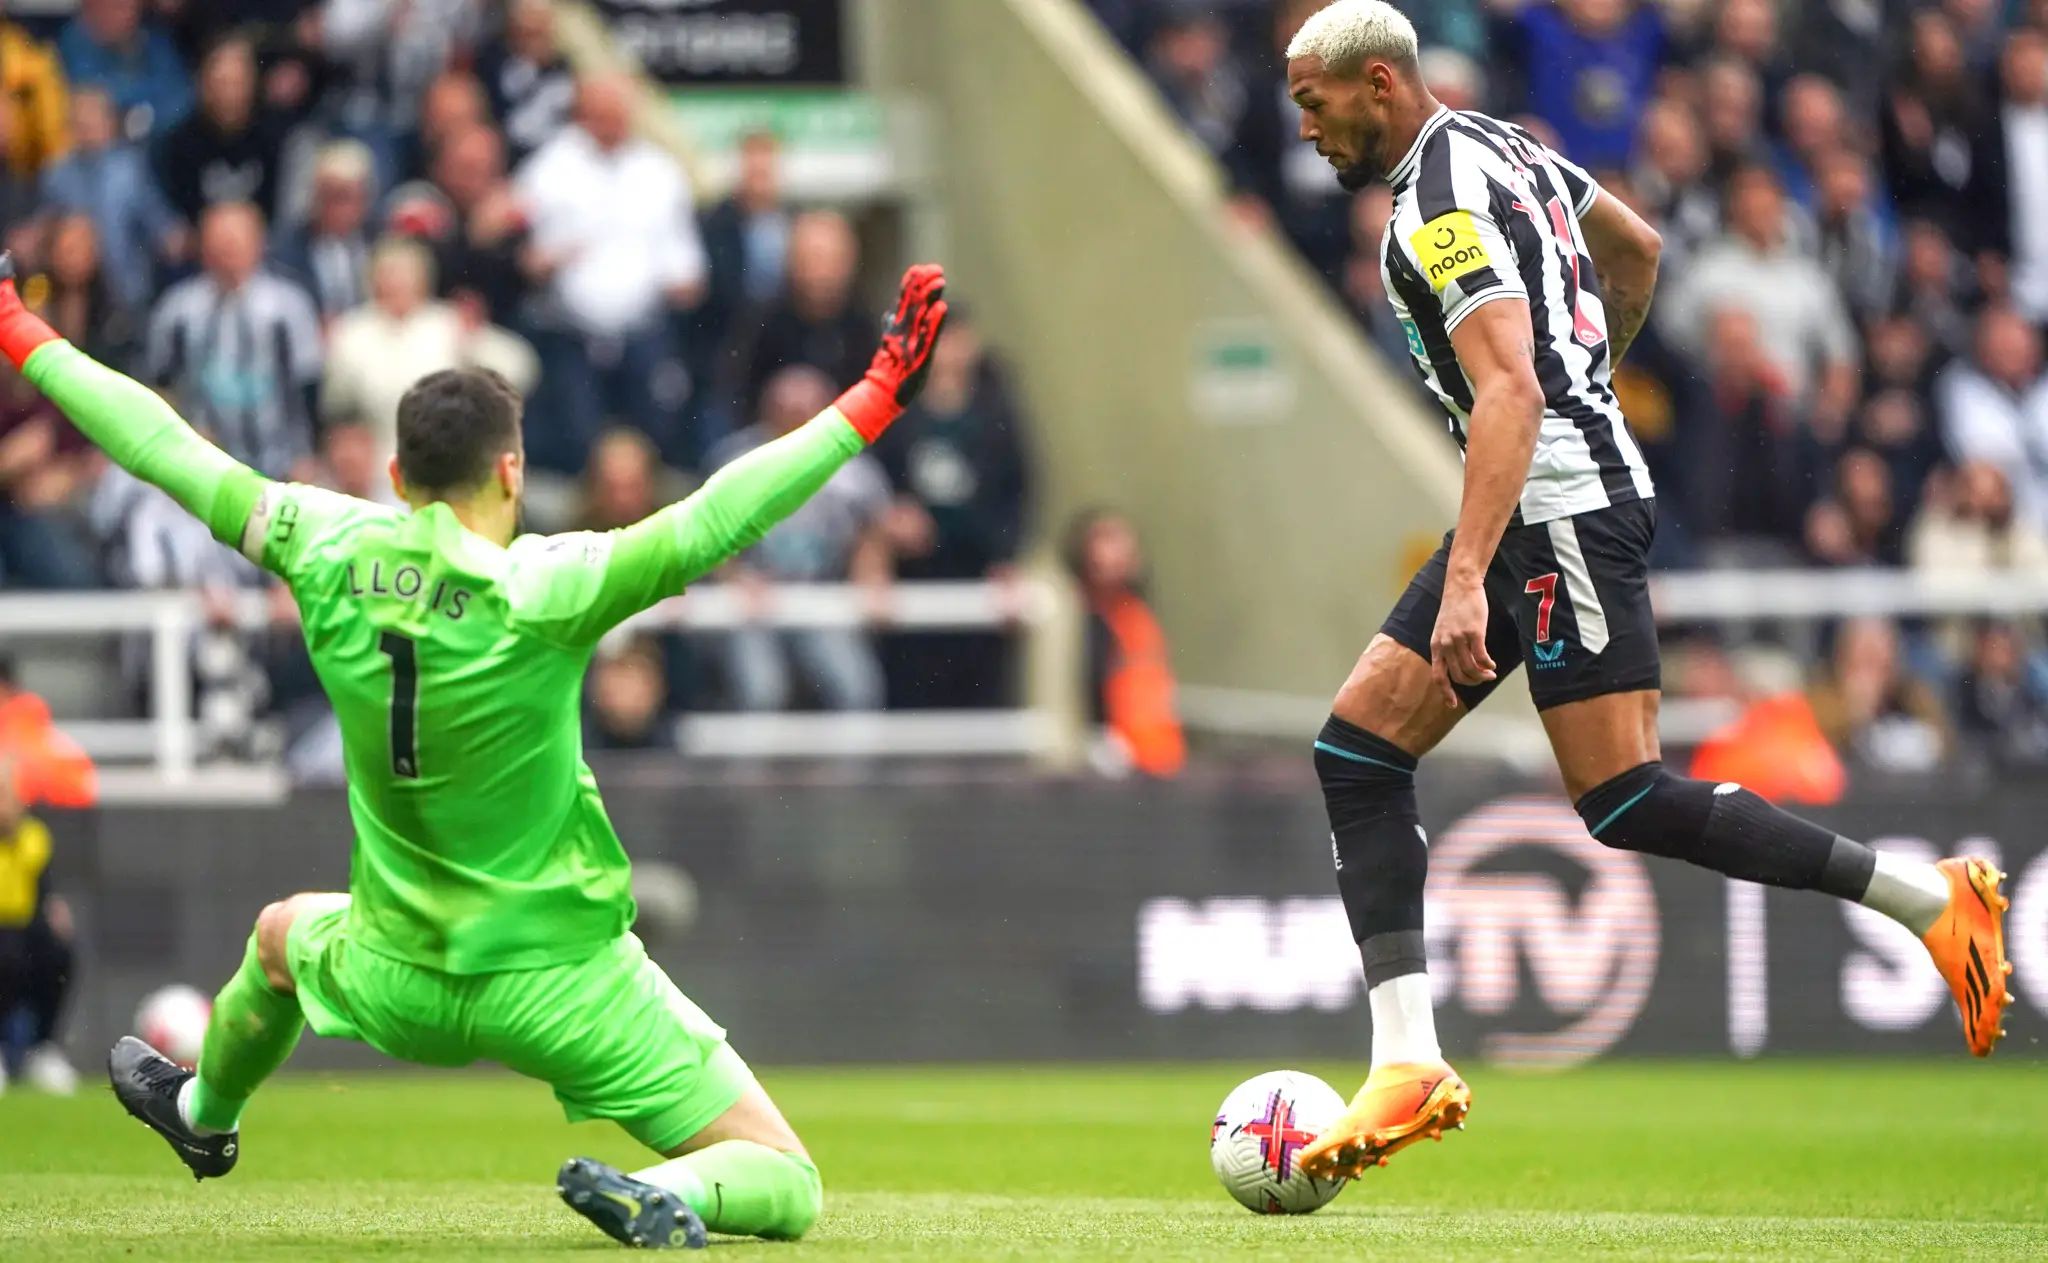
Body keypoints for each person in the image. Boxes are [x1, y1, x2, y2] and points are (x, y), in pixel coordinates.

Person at [0, 253, 947, 1246]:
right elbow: (717, 515)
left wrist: (21, 331)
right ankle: (663, 1191)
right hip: (564, 987)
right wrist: (875, 397)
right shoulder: (548, 588)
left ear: (398, 476)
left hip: (396, 970)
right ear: (511, 470)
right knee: (786, 1181)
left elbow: (160, 444)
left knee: (282, 935)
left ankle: (204, 1119)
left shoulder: (323, 546)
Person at [1278, 0, 2012, 1182]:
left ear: (1374, 84)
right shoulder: (1505, 143)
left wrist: (1471, 569)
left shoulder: (1437, 204)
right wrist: (1590, 384)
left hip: (1553, 512)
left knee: (1618, 796)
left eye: (1311, 102)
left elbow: (1509, 392)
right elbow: (1637, 248)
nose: (1301, 127)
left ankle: (1929, 901)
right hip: (1551, 497)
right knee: (1357, 753)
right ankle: (1405, 1059)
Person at [708, 366, 893, 715]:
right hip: (752, 601)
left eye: (807, 412)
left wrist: (871, 574)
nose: (797, 422)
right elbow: (708, 534)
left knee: (857, 690)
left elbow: (872, 531)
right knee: (761, 691)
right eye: (787, 412)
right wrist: (734, 577)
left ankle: (853, 771)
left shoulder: (852, 467)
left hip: (821, 597)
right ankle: (751, 772)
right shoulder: (737, 460)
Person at [145, 203, 322, 480]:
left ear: (259, 243)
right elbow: (161, 385)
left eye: (237, 240)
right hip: (201, 466)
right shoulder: (177, 311)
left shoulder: (289, 306)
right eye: (219, 241)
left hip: (280, 463)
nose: (228, 249)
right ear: (203, 246)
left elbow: (309, 388)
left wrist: (307, 455)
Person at [0, 752, 80, 1097]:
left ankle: (41, 1048)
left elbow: (43, 890)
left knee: (58, 953)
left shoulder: (35, 837)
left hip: (24, 927)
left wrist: (54, 908)